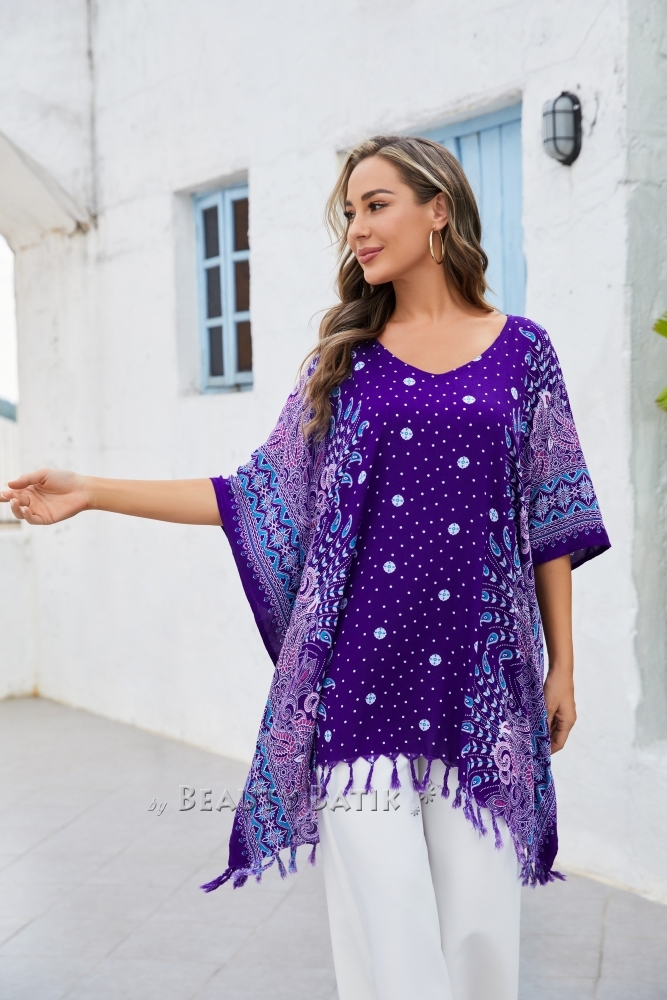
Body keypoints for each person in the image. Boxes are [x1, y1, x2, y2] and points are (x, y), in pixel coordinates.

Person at [1, 135, 610, 1000]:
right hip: (360, 686)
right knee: (388, 936)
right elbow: (253, 496)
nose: (356, 228)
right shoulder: (345, 364)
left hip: (484, 686)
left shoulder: (523, 352)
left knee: (480, 936)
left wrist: (563, 666)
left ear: (438, 209)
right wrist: (91, 490)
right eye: (349, 212)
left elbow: (553, 514)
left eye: (376, 205)